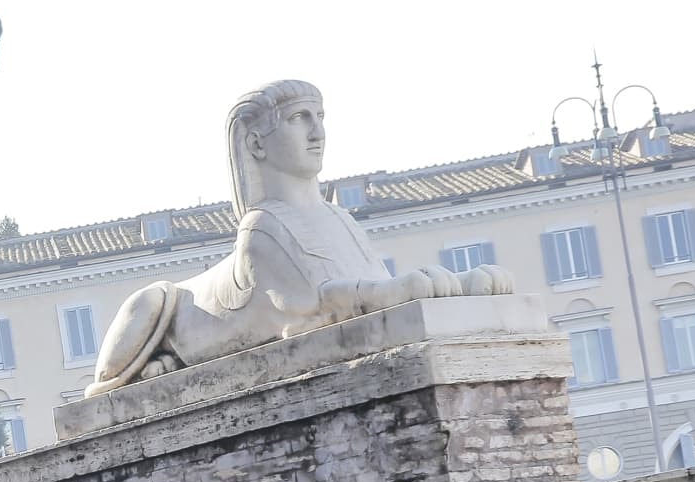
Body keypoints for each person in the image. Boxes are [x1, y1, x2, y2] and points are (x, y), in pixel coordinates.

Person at [87, 80, 512, 396]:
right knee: (155, 298)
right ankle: (128, 375)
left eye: (320, 117)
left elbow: (375, 290)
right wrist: (402, 290)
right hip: (177, 325)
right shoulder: (261, 228)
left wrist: (457, 290)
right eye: (298, 119)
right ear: (256, 144)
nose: (317, 132)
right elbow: (309, 312)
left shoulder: (339, 218)